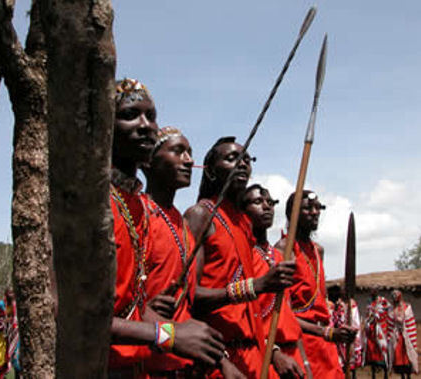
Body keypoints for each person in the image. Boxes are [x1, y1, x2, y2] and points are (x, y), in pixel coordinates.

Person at [109, 79, 226, 377]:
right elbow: (70, 311)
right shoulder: (93, 201)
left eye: (152, 115)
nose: (146, 125)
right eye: (130, 114)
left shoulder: (134, 206)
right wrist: (169, 335)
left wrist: (216, 355)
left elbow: (131, 306)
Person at [185, 137, 294, 378]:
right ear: (211, 171)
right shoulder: (200, 215)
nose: (242, 164)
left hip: (254, 354)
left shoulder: (244, 224)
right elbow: (190, 296)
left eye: (246, 159)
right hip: (218, 357)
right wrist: (258, 285)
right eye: (232, 158)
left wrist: (272, 351)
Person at [142, 126, 243, 377]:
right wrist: (143, 306)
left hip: (182, 363)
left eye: (190, 153)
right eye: (178, 151)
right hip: (142, 362)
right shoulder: (138, 214)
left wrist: (222, 361)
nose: (189, 160)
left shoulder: (183, 226)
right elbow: (118, 301)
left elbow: (189, 307)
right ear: (148, 162)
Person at [274, 191, 356, 379]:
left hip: (325, 342)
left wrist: (336, 331)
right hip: (301, 342)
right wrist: (325, 332)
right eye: (308, 208)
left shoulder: (318, 250)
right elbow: (283, 312)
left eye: (318, 208)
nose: (315, 212)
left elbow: (321, 301)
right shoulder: (284, 249)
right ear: (291, 213)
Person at [241, 184, 306, 378]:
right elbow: (242, 315)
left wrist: (305, 361)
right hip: (264, 354)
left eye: (270, 202)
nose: (267, 206)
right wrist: (274, 353)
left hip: (292, 353)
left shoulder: (279, 256)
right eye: (258, 201)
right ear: (242, 208)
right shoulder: (242, 254)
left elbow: (288, 313)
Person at [328, 286, 363, 377]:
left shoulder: (349, 304)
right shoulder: (334, 306)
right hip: (336, 336)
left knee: (347, 360)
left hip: (344, 335)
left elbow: (353, 320)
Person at [387, 290, 418, 378]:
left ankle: (408, 375)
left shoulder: (407, 308)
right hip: (396, 336)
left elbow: (410, 322)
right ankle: (402, 376)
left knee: (407, 356)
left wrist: (405, 330)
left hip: (406, 336)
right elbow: (390, 324)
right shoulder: (391, 309)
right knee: (398, 356)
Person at [363, 288, 390, 379]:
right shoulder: (369, 304)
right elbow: (367, 315)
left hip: (381, 330)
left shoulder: (382, 302)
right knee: (371, 350)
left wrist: (377, 316)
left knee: (382, 348)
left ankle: (385, 372)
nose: (372, 294)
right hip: (371, 331)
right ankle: (373, 372)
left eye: (374, 292)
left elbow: (386, 312)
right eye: (371, 293)